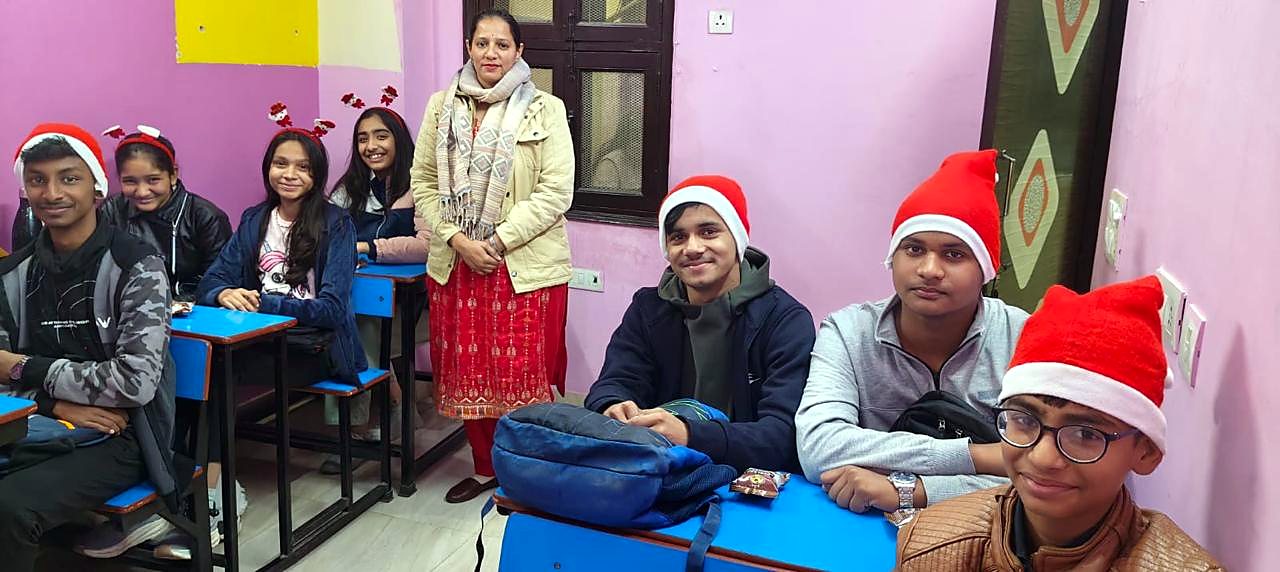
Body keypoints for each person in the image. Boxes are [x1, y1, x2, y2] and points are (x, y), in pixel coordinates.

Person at [896, 276, 1223, 570]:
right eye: (1024, 419)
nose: (1041, 458)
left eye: (1084, 433)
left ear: (1146, 451)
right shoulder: (930, 548)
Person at [795, 149, 1029, 512]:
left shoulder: (1022, 337)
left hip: (988, 535)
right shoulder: (848, 332)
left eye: (954, 254)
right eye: (914, 249)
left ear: (985, 269)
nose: (929, 269)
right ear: (894, 257)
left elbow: (1041, 471)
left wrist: (912, 490)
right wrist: (979, 456)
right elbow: (819, 447)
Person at [410, 8, 574, 503]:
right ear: (468, 47)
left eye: (502, 45)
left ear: (519, 52)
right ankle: (486, 467)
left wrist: (497, 241)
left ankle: (530, 472)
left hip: (523, 265)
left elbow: (555, 192)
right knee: (470, 372)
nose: (491, 54)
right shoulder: (441, 107)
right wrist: (457, 239)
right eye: (482, 43)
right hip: (457, 263)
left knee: (528, 374)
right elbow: (423, 183)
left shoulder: (545, 108)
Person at [0, 123, 177, 569]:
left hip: (125, 435)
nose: (52, 192)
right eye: (38, 180)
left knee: (9, 508)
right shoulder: (12, 273)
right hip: (38, 423)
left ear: (97, 187)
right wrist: (53, 404)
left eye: (69, 178)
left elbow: (134, 384)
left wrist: (24, 369)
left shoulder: (138, 266)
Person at [194, 127, 365, 545]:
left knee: (215, 377)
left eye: (302, 167)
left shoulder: (336, 223)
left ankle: (212, 495)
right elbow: (211, 281)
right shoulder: (255, 219)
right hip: (260, 343)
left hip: (313, 348)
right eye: (280, 164)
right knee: (201, 370)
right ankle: (204, 486)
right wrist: (225, 292)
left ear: (317, 174)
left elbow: (331, 310)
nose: (289, 174)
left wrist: (264, 303)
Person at [585, 176, 814, 471]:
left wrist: (688, 434)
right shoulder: (649, 309)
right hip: (659, 470)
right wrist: (612, 406)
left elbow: (781, 435)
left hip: (752, 478)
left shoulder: (784, 320)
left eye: (708, 232)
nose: (692, 248)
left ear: (737, 238)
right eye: (678, 237)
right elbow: (615, 382)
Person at [324, 105, 428, 473]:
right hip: (358, 293)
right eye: (363, 138)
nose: (371, 146)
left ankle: (354, 430)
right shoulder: (349, 187)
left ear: (399, 141)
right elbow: (325, 231)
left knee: (364, 324)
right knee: (344, 317)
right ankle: (396, 400)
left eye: (381, 136)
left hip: (413, 301)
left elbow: (428, 244)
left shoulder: (422, 185)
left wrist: (369, 248)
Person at [97, 126, 232, 301]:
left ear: (173, 175)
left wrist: (178, 303)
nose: (142, 192)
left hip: (193, 313)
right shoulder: (112, 211)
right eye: (130, 181)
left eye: (153, 180)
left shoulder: (205, 217)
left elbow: (219, 281)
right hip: (128, 309)